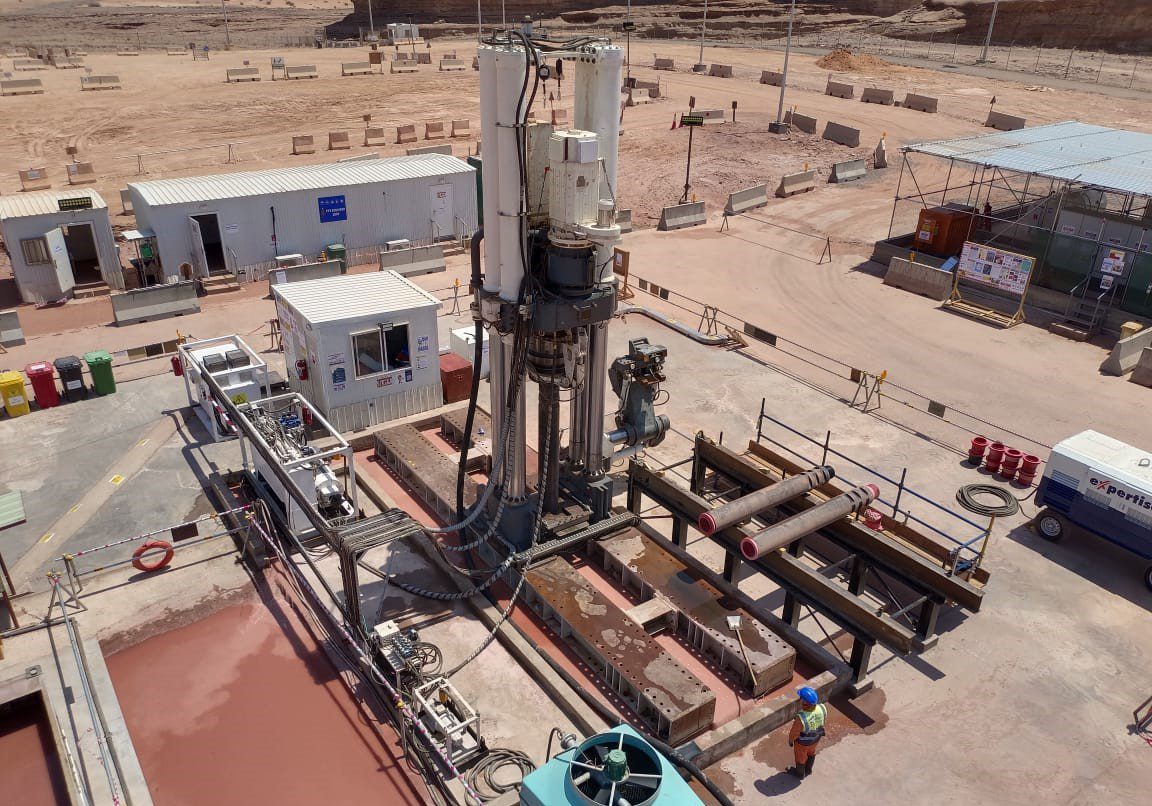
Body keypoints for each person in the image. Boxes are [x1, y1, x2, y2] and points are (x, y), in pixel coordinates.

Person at [788, 686, 828, 780]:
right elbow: (823, 721)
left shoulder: (801, 717)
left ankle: (799, 774)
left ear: (805, 703)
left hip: (802, 743)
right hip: (815, 739)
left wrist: (790, 740)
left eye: (801, 699)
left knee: (800, 757)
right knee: (811, 753)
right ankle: (809, 769)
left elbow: (794, 732)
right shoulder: (822, 708)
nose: (800, 700)